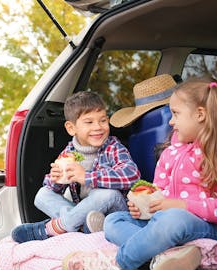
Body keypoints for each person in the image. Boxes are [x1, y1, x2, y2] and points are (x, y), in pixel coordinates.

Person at [62, 76, 217, 270]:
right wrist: (144, 208)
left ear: (200, 115)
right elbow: (158, 193)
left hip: (208, 229)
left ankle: (116, 261)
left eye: (175, 114)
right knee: (114, 220)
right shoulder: (170, 152)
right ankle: (166, 255)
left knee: (173, 218)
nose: (170, 121)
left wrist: (181, 206)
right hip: (163, 225)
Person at [11, 91, 140, 243]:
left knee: (107, 193)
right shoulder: (68, 153)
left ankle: (53, 228)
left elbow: (132, 175)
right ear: (71, 128)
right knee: (42, 195)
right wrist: (56, 179)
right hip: (85, 213)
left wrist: (87, 176)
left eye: (103, 120)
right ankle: (83, 227)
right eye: (89, 122)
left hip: (114, 211)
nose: (98, 127)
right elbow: (53, 190)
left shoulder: (112, 146)